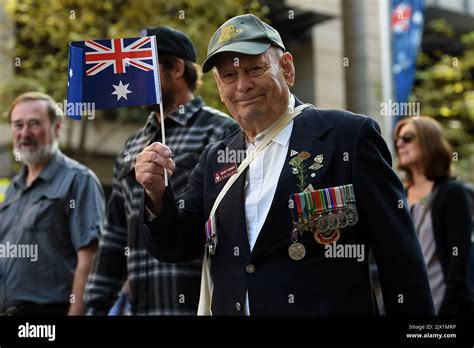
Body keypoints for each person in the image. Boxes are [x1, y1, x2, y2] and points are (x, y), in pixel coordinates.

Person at [136, 14, 435, 315]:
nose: (243, 85)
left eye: (255, 68)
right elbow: (176, 246)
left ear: (287, 69)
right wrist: (156, 195)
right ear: (218, 85)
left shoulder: (349, 137)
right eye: (229, 75)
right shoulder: (216, 158)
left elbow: (400, 258)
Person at [85, 26, 238, 315]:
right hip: (141, 307)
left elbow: (231, 227)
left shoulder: (222, 132)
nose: (132, 80)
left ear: (177, 68)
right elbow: (115, 233)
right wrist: (96, 303)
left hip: (199, 304)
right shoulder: (132, 145)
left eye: (142, 69)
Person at [0, 92, 104, 315]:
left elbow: (89, 259)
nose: (24, 133)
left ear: (57, 128)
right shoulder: (13, 189)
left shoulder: (78, 180)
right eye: (18, 125)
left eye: (34, 124)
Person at [394, 116, 474, 315]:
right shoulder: (399, 195)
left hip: (442, 305)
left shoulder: (452, 192)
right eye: (397, 140)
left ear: (429, 141)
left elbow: (458, 266)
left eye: (408, 137)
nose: (400, 144)